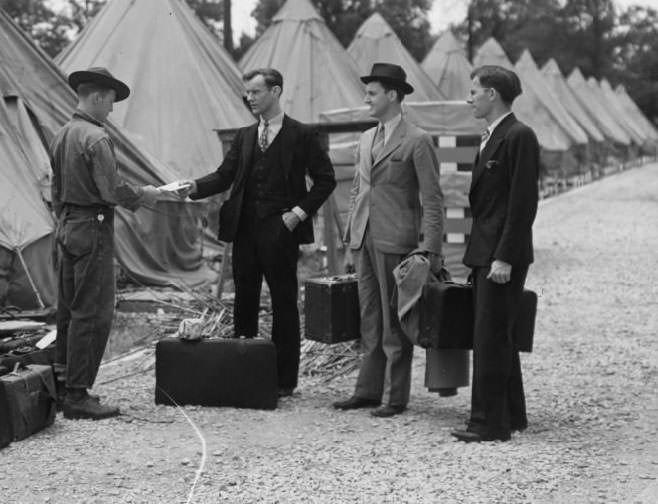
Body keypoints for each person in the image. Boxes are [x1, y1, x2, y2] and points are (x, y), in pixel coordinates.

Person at [177, 68, 335, 397]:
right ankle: (246, 374)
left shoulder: (302, 135)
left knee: (284, 304)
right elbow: (224, 175)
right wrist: (194, 187)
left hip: (281, 230)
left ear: (276, 92)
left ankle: (284, 381)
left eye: (255, 92)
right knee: (244, 302)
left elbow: (325, 180)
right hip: (245, 232)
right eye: (247, 92)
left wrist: (297, 213)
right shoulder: (245, 136)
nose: (249, 97)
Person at [51, 68, 164, 420]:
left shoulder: (63, 134)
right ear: (98, 97)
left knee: (68, 309)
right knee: (93, 310)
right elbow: (111, 190)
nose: (111, 110)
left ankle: (61, 382)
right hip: (93, 226)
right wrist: (145, 195)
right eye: (111, 102)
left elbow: (55, 191)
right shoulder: (96, 138)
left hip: (68, 226)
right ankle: (77, 394)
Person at [334, 63, 443, 418]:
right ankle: (367, 391)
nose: (366, 99)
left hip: (397, 242)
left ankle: (395, 397)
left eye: (372, 93)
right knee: (369, 316)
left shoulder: (418, 140)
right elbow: (356, 191)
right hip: (364, 239)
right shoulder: (366, 139)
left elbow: (433, 199)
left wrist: (431, 250)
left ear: (393, 95)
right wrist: (351, 236)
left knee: (396, 321)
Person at [451, 64, 539, 442]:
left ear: (492, 94)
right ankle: (512, 414)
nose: (469, 97)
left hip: (501, 254)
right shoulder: (490, 136)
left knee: (490, 336)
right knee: (497, 333)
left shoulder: (519, 136)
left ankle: (488, 423)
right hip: (484, 250)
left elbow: (522, 203)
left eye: (474, 91)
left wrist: (504, 256)